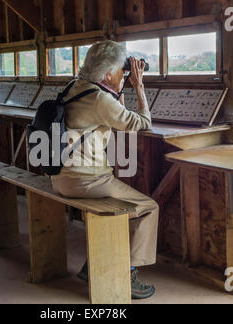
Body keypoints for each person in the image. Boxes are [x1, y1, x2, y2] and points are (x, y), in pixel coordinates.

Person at [51, 40, 159, 300]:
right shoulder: (99, 99)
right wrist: (139, 85)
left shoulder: (74, 87)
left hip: (60, 178)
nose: (125, 72)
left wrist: (118, 88)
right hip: (86, 181)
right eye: (121, 70)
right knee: (148, 208)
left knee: (118, 207)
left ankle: (93, 265)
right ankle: (127, 271)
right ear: (108, 73)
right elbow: (142, 123)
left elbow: (112, 112)